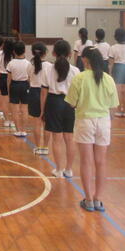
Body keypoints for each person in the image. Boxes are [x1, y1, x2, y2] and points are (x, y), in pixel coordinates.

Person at [67, 47, 118, 212]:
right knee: (101, 162)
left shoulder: (79, 78)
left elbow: (71, 102)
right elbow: (113, 106)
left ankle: (88, 199)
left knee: (86, 161)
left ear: (85, 60)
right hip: (103, 121)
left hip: (85, 120)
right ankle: (98, 199)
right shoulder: (108, 79)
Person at [41, 40, 79, 179]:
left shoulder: (47, 69)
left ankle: (58, 169)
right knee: (69, 138)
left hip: (53, 102)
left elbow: (44, 92)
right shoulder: (75, 70)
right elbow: (78, 92)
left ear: (53, 53)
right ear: (70, 53)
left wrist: (42, 111)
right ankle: (68, 170)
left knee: (56, 138)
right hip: (69, 103)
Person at [27, 42, 50, 155]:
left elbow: (28, 79)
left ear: (32, 52)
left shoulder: (29, 65)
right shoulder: (49, 66)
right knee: (46, 122)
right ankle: (45, 147)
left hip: (34, 92)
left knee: (36, 122)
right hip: (47, 93)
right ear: (45, 53)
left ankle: (37, 147)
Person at [6, 40, 29, 137]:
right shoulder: (28, 63)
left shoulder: (11, 63)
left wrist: (8, 90)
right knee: (24, 109)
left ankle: (18, 130)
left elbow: (8, 79)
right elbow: (30, 78)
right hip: (25, 85)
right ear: (24, 50)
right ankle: (24, 130)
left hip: (14, 85)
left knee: (15, 110)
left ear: (14, 51)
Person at [109, 28, 125, 118]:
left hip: (117, 67)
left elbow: (111, 63)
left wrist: (110, 73)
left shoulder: (113, 47)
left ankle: (119, 110)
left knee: (118, 91)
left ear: (116, 36)